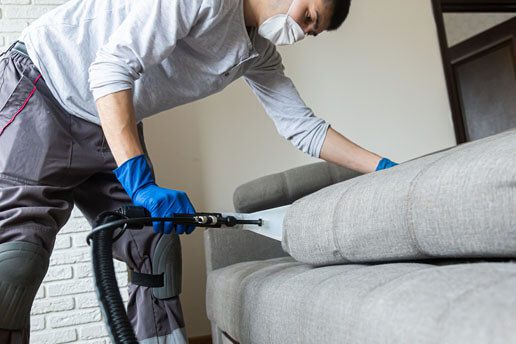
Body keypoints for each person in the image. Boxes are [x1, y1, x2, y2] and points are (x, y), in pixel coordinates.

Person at [0, 0, 398, 342]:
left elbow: (303, 127)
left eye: (313, 31)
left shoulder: (257, 53)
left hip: (107, 118)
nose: (304, 30)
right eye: (310, 15)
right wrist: (141, 184)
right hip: (44, 88)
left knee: (155, 245)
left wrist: (383, 168)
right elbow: (110, 68)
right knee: (15, 263)